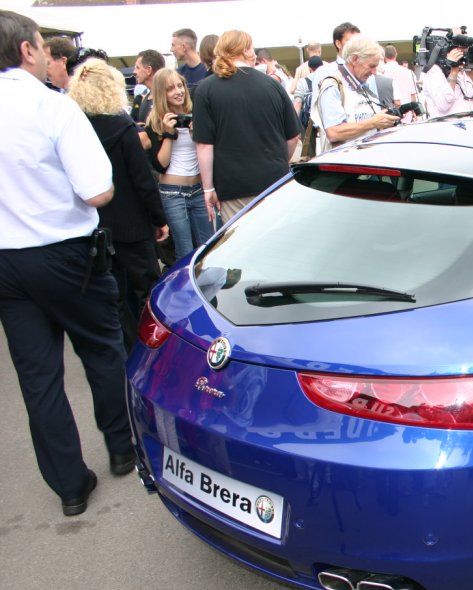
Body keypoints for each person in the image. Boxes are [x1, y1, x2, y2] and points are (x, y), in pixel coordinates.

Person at [0, 10, 137, 515]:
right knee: (101, 350)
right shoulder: (51, 107)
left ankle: (69, 486)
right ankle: (122, 447)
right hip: (64, 253)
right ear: (26, 51)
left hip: (5, 261)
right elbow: (98, 190)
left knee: (37, 377)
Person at [68, 59, 168, 350]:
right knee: (147, 287)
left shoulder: (75, 127)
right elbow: (142, 180)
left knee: (111, 292)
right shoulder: (122, 127)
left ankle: (124, 344)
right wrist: (159, 219)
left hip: (93, 223)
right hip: (132, 223)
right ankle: (152, 345)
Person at [193, 30, 300, 224]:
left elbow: (204, 145)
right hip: (275, 180)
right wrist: (277, 159)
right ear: (246, 51)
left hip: (233, 186)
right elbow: (293, 136)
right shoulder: (272, 84)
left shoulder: (206, 89)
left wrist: (208, 188)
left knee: (241, 247)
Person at [145, 68, 214, 258]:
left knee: (208, 246)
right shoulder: (156, 122)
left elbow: (208, 151)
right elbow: (160, 165)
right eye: (170, 89)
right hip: (172, 192)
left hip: (199, 189)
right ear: (161, 93)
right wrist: (168, 134)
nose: (178, 91)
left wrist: (196, 133)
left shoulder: (197, 113)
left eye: (180, 85)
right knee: (184, 249)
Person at [311, 35, 398, 150]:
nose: (374, 72)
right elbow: (333, 132)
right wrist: (373, 123)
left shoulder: (362, 83)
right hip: (344, 163)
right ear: (355, 59)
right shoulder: (333, 86)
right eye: (371, 66)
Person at [422, 39, 473, 117]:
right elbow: (443, 105)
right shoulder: (435, 71)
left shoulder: (468, 71)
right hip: (446, 127)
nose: (465, 55)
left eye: (467, 51)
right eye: (461, 51)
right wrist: (453, 73)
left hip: (471, 125)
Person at [131, 49, 165, 124]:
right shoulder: (142, 99)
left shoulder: (168, 97)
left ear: (148, 70)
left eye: (137, 68)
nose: (134, 72)